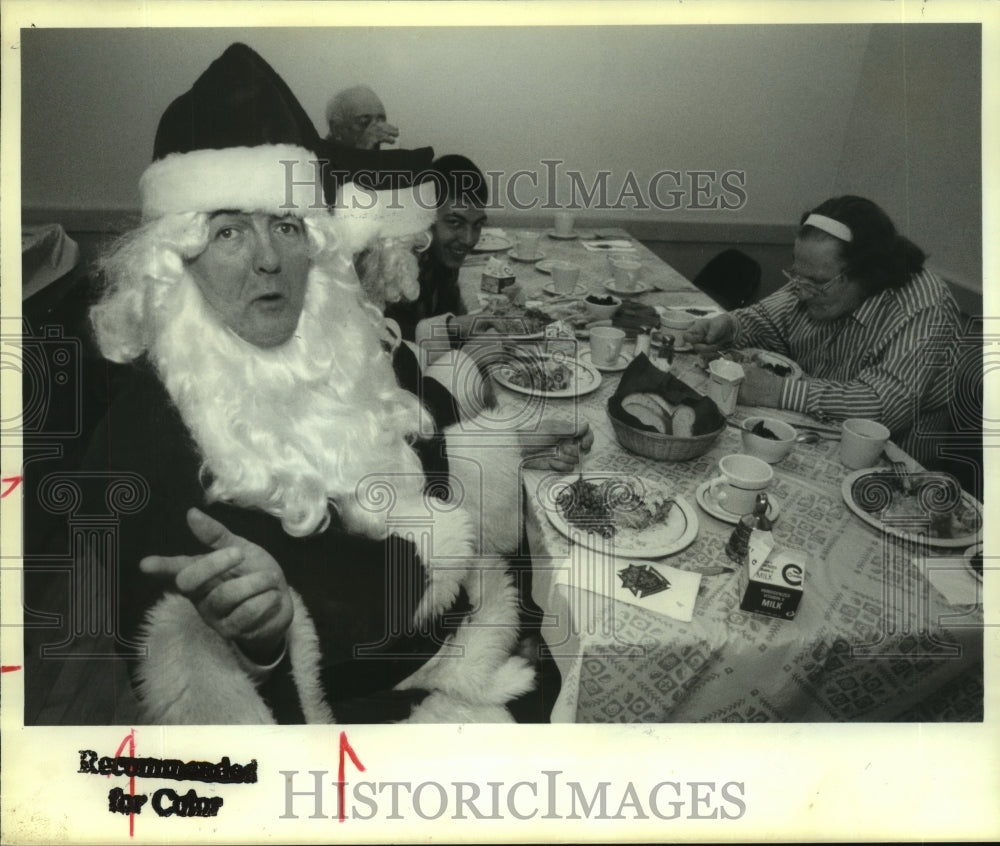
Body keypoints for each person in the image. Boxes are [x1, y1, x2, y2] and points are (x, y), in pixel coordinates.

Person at [76, 44, 590, 724]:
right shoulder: (140, 444)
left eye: (286, 226)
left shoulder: (329, 338)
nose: (268, 259)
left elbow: (402, 414)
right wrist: (262, 639)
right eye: (229, 231)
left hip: (464, 631)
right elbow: (182, 692)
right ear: (176, 260)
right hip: (376, 716)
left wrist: (513, 437)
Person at [683, 195, 961, 465]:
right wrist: (729, 326)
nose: (801, 293)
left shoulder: (924, 307)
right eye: (796, 276)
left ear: (867, 274)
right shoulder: (816, 275)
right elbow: (765, 318)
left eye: (816, 283)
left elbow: (882, 408)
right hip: (818, 429)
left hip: (892, 466)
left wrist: (777, 391)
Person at [380, 154, 488, 348]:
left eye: (477, 225)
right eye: (455, 223)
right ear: (425, 216)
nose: (469, 239)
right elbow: (394, 342)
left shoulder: (440, 252)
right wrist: (453, 328)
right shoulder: (397, 263)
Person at [325, 84, 398, 150]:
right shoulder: (316, 160)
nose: (377, 130)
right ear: (337, 129)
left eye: (381, 122)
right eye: (364, 123)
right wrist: (362, 152)